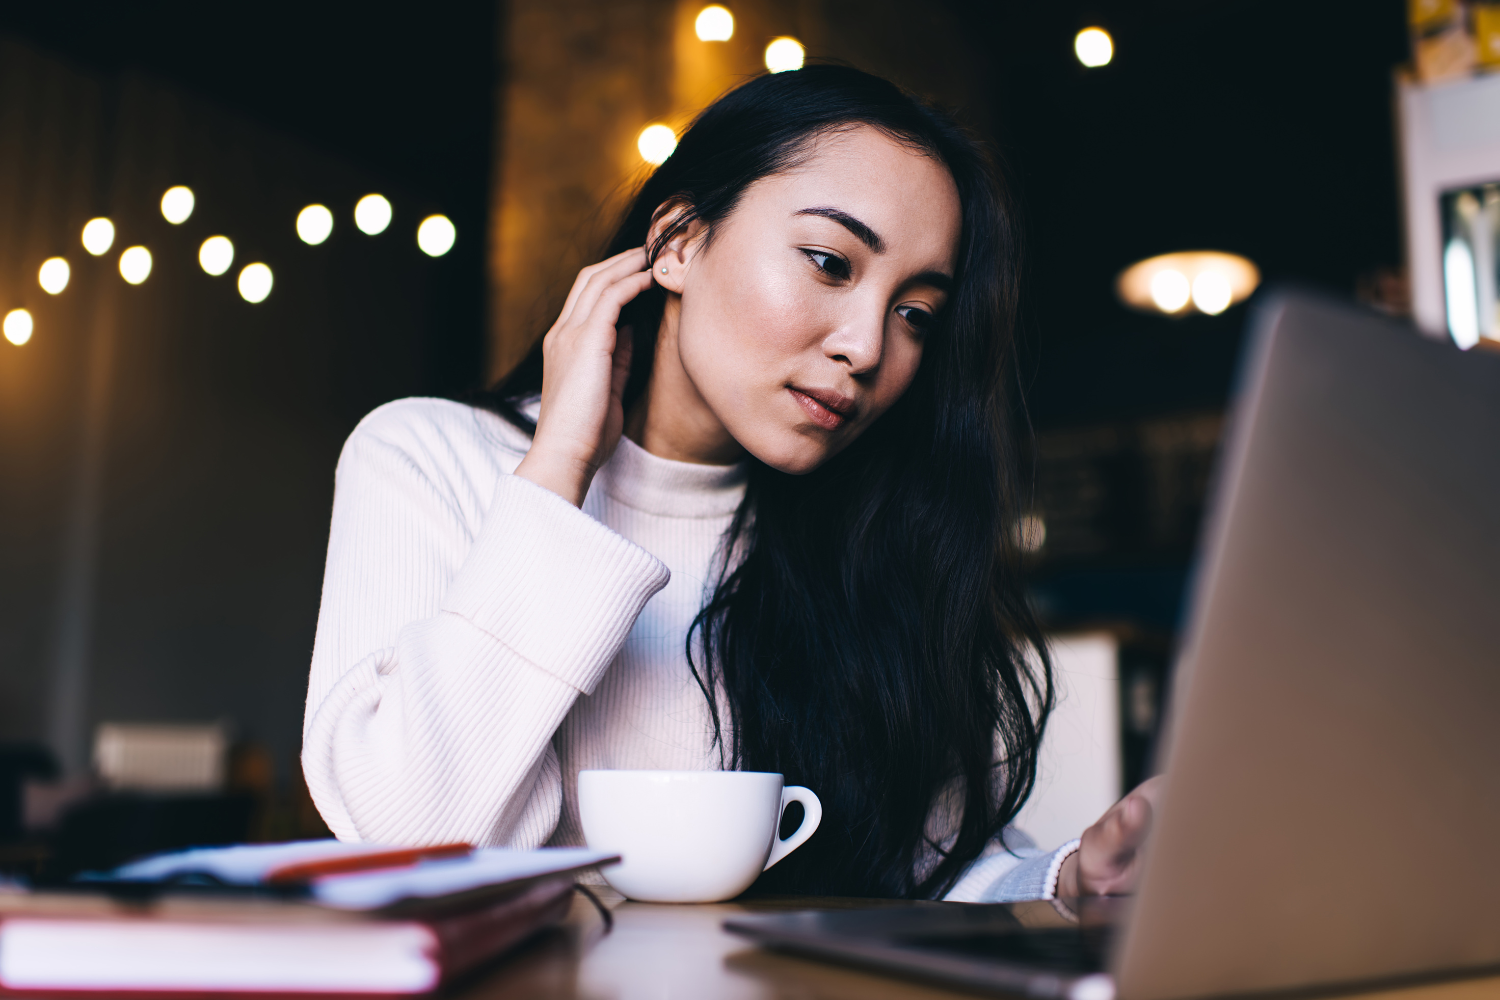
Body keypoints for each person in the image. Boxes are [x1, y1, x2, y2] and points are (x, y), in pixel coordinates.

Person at [302, 65, 1158, 902]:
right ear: (676, 243)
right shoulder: (429, 455)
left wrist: (1066, 881)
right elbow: (410, 843)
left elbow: (919, 873)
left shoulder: (872, 533)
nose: (866, 347)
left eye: (914, 314)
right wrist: (562, 465)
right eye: (829, 261)